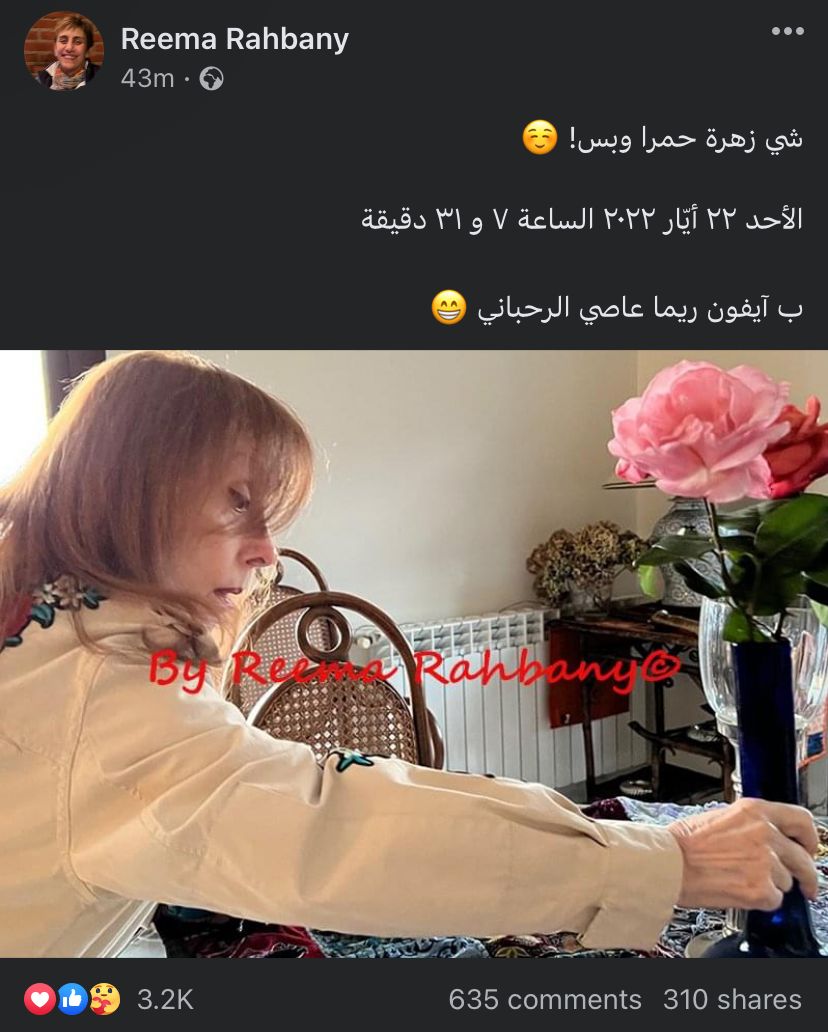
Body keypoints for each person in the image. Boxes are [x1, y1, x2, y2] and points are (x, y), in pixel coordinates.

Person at [0, 350, 819, 958]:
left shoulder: (53, 626)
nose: (266, 553)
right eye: (238, 503)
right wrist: (658, 863)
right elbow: (325, 829)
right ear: (130, 487)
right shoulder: (90, 685)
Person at [35, 14, 99, 91]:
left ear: (87, 51)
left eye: (78, 42)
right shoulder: (40, 80)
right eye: (63, 41)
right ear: (55, 48)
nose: (69, 48)